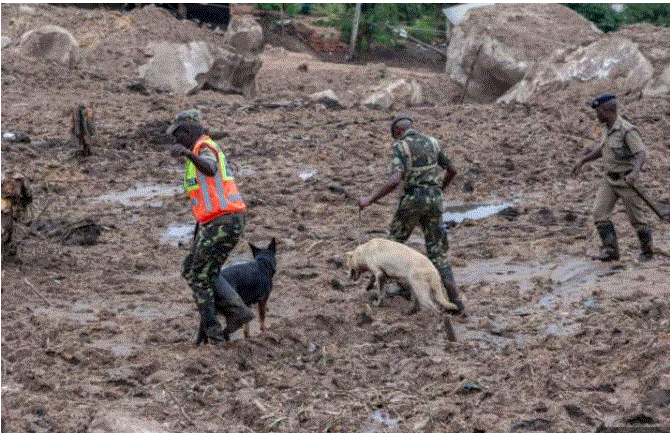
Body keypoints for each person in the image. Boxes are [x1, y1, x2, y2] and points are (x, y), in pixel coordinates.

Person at [358, 115, 464, 314]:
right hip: (434, 202)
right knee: (438, 254)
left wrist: (369, 199)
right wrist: (438, 189)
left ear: (397, 132)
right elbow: (452, 170)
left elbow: (395, 179)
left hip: (412, 201)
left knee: (391, 246)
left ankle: (386, 287)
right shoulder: (433, 143)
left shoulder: (401, 146)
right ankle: (456, 301)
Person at [167, 109, 254, 345]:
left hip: (223, 221)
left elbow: (211, 168)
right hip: (217, 222)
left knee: (198, 276)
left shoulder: (203, 148)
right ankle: (236, 312)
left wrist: (186, 153)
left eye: (178, 135)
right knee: (194, 269)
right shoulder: (197, 151)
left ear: (189, 132)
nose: (175, 140)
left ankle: (215, 334)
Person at [572, 94, 653, 262]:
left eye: (598, 112)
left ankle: (647, 251)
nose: (596, 116)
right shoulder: (606, 127)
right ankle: (610, 250)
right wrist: (584, 160)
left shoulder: (627, 130)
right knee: (599, 213)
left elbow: (641, 153)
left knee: (637, 219)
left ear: (607, 111)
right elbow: (603, 149)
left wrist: (635, 173)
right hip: (609, 180)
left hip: (626, 181)